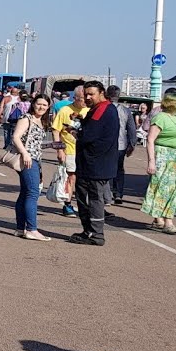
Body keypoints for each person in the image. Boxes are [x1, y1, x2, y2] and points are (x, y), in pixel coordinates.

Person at [69, 81, 118, 246]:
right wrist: (82, 121)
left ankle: (96, 234)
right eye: (86, 94)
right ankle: (88, 231)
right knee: (85, 198)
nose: (88, 97)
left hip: (95, 164)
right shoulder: (101, 109)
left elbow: (89, 135)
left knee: (92, 199)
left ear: (101, 93)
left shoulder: (103, 109)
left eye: (91, 94)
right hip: (92, 163)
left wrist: (76, 131)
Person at [140, 91, 176, 234]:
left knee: (172, 189)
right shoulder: (161, 117)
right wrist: (151, 161)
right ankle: (168, 222)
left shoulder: (175, 118)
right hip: (164, 156)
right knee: (164, 189)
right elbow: (151, 140)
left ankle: (158, 219)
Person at [11, 95, 53, 241]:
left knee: (25, 192)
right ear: (33, 104)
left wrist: (51, 145)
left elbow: (34, 142)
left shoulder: (40, 121)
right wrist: (25, 154)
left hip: (34, 159)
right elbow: (16, 137)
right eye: (39, 104)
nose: (41, 107)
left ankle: (20, 228)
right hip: (28, 160)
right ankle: (31, 229)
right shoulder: (26, 118)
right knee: (33, 193)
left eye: (45, 105)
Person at [51, 84, 87, 217]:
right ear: (76, 98)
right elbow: (56, 130)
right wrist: (59, 150)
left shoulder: (90, 110)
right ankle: (67, 204)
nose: (85, 100)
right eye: (83, 98)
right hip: (69, 150)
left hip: (86, 151)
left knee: (85, 179)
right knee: (71, 177)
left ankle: (83, 204)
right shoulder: (65, 110)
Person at [106, 86, 137, 205]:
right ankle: (118, 194)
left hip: (106, 145)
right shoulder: (125, 110)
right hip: (121, 144)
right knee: (119, 169)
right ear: (118, 96)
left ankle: (107, 194)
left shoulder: (104, 108)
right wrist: (132, 144)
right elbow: (132, 129)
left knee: (106, 168)